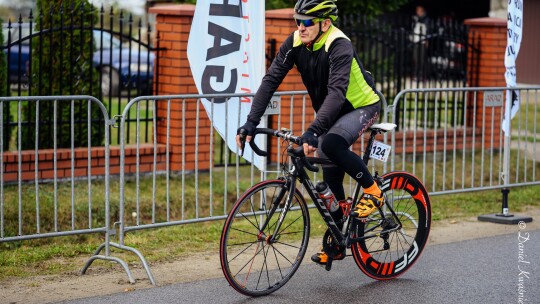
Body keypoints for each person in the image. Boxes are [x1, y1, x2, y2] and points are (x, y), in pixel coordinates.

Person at [235, 0, 384, 266]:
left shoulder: (339, 45)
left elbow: (337, 93)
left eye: (307, 22)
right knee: (329, 176)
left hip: (362, 106)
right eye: (297, 21)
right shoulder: (295, 42)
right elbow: (270, 81)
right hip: (333, 112)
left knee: (333, 146)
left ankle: (373, 190)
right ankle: (339, 241)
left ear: (325, 23)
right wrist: (250, 122)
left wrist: (314, 130)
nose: (300, 27)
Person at [410, 5, 430, 80]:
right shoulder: (415, 19)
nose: (417, 12)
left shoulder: (426, 19)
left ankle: (421, 75)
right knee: (415, 59)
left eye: (418, 10)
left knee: (422, 59)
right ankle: (415, 74)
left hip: (422, 41)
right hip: (415, 40)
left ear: (422, 11)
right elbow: (413, 28)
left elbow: (427, 30)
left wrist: (427, 40)